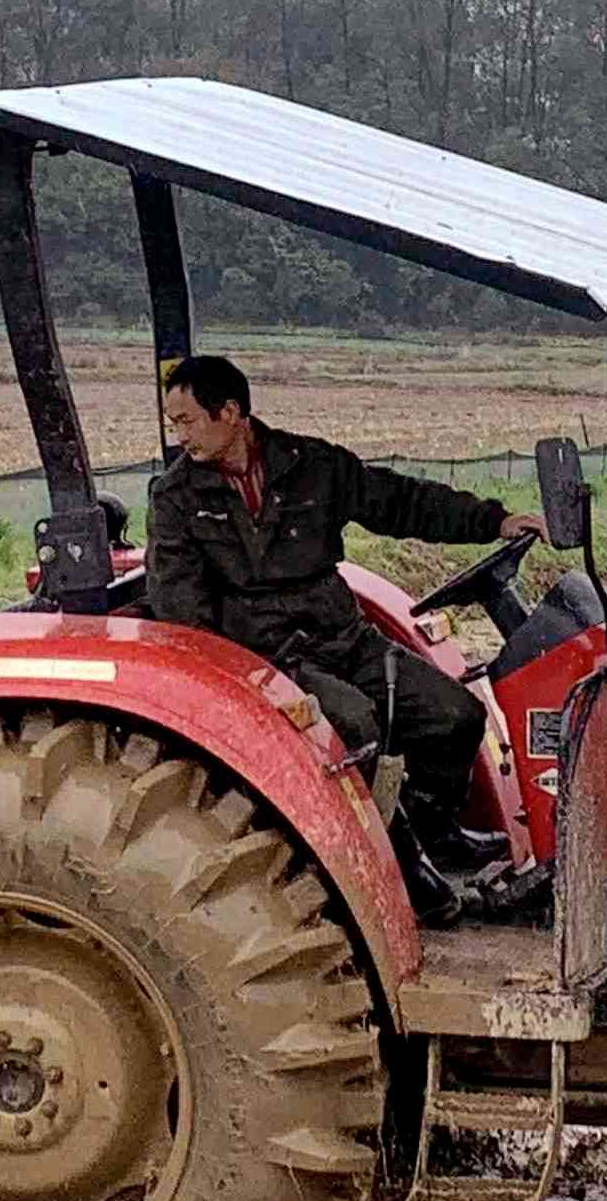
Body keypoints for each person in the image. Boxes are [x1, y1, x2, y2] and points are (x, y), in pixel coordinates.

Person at [147, 354, 542, 919]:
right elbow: (179, 603)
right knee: (353, 726)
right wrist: (234, 687)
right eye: (174, 423)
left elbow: (400, 502)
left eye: (186, 420)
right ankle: (395, 865)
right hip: (269, 655)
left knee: (455, 714)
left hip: (342, 637)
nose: (179, 436)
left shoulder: (311, 465)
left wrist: (494, 522)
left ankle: (434, 830)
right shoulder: (177, 497)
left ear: (230, 412)